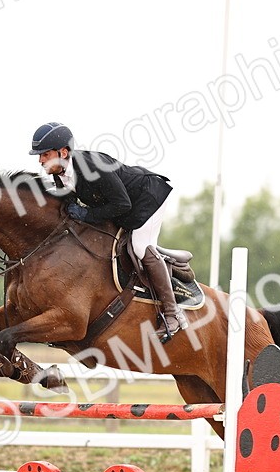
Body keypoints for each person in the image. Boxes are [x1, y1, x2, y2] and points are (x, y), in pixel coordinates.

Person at [29, 121, 191, 342]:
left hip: (147, 198)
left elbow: (122, 204)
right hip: (121, 206)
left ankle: (173, 313)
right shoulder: (60, 172)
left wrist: (86, 215)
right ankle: (165, 260)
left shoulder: (93, 167)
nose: (40, 160)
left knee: (141, 247)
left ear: (63, 152)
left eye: (44, 155)